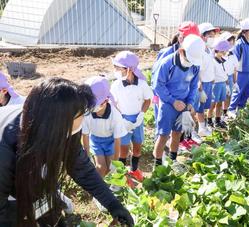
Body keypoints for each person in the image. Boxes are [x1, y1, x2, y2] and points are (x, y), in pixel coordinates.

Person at [0, 78, 134, 226]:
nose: (84, 118)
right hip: (7, 196)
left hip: (35, 182)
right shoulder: (6, 149)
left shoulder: (63, 128)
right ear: (60, 121)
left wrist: (113, 204)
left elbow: (81, 168)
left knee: (50, 215)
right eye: (81, 114)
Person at [152, 34, 205, 166]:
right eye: (189, 58)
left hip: (184, 104)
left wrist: (190, 103)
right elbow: (158, 85)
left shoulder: (195, 65)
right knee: (163, 135)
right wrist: (172, 101)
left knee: (177, 133)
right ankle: (157, 164)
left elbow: (193, 86)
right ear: (181, 51)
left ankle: (173, 160)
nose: (190, 62)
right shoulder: (167, 63)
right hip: (168, 104)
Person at [110, 51, 153, 183]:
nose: (115, 70)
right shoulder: (116, 85)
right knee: (123, 150)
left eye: (118, 67)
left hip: (137, 120)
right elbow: (113, 103)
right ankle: (123, 175)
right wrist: (121, 119)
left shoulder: (142, 84)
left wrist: (141, 114)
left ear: (128, 69)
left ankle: (134, 169)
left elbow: (147, 100)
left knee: (137, 146)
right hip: (123, 120)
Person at [82, 76, 127, 177]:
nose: (91, 107)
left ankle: (109, 188)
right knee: (101, 168)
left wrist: (115, 162)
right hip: (96, 141)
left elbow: (117, 141)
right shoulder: (87, 113)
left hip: (111, 142)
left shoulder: (115, 115)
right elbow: (85, 135)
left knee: (110, 168)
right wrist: (87, 156)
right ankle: (98, 189)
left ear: (106, 100)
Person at [195, 22, 220, 137]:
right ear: (202, 36)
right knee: (199, 107)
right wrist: (199, 85)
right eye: (210, 35)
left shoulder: (209, 50)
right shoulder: (199, 51)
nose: (212, 38)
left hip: (209, 81)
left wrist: (213, 78)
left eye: (213, 35)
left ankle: (202, 126)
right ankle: (200, 128)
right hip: (202, 82)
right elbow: (197, 69)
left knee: (205, 106)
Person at [207, 40, 232, 128]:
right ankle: (209, 119)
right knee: (213, 103)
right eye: (222, 51)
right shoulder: (213, 61)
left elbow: (226, 73)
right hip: (216, 84)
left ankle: (218, 119)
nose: (224, 53)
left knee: (220, 103)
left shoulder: (224, 61)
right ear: (217, 51)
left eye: (224, 51)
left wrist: (227, 85)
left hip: (223, 84)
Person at [216, 32, 237, 116]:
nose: (231, 43)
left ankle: (225, 113)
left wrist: (235, 82)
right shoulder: (219, 55)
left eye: (232, 41)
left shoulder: (232, 54)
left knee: (228, 96)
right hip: (221, 78)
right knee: (219, 99)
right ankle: (216, 116)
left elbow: (235, 69)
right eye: (229, 40)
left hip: (230, 77)